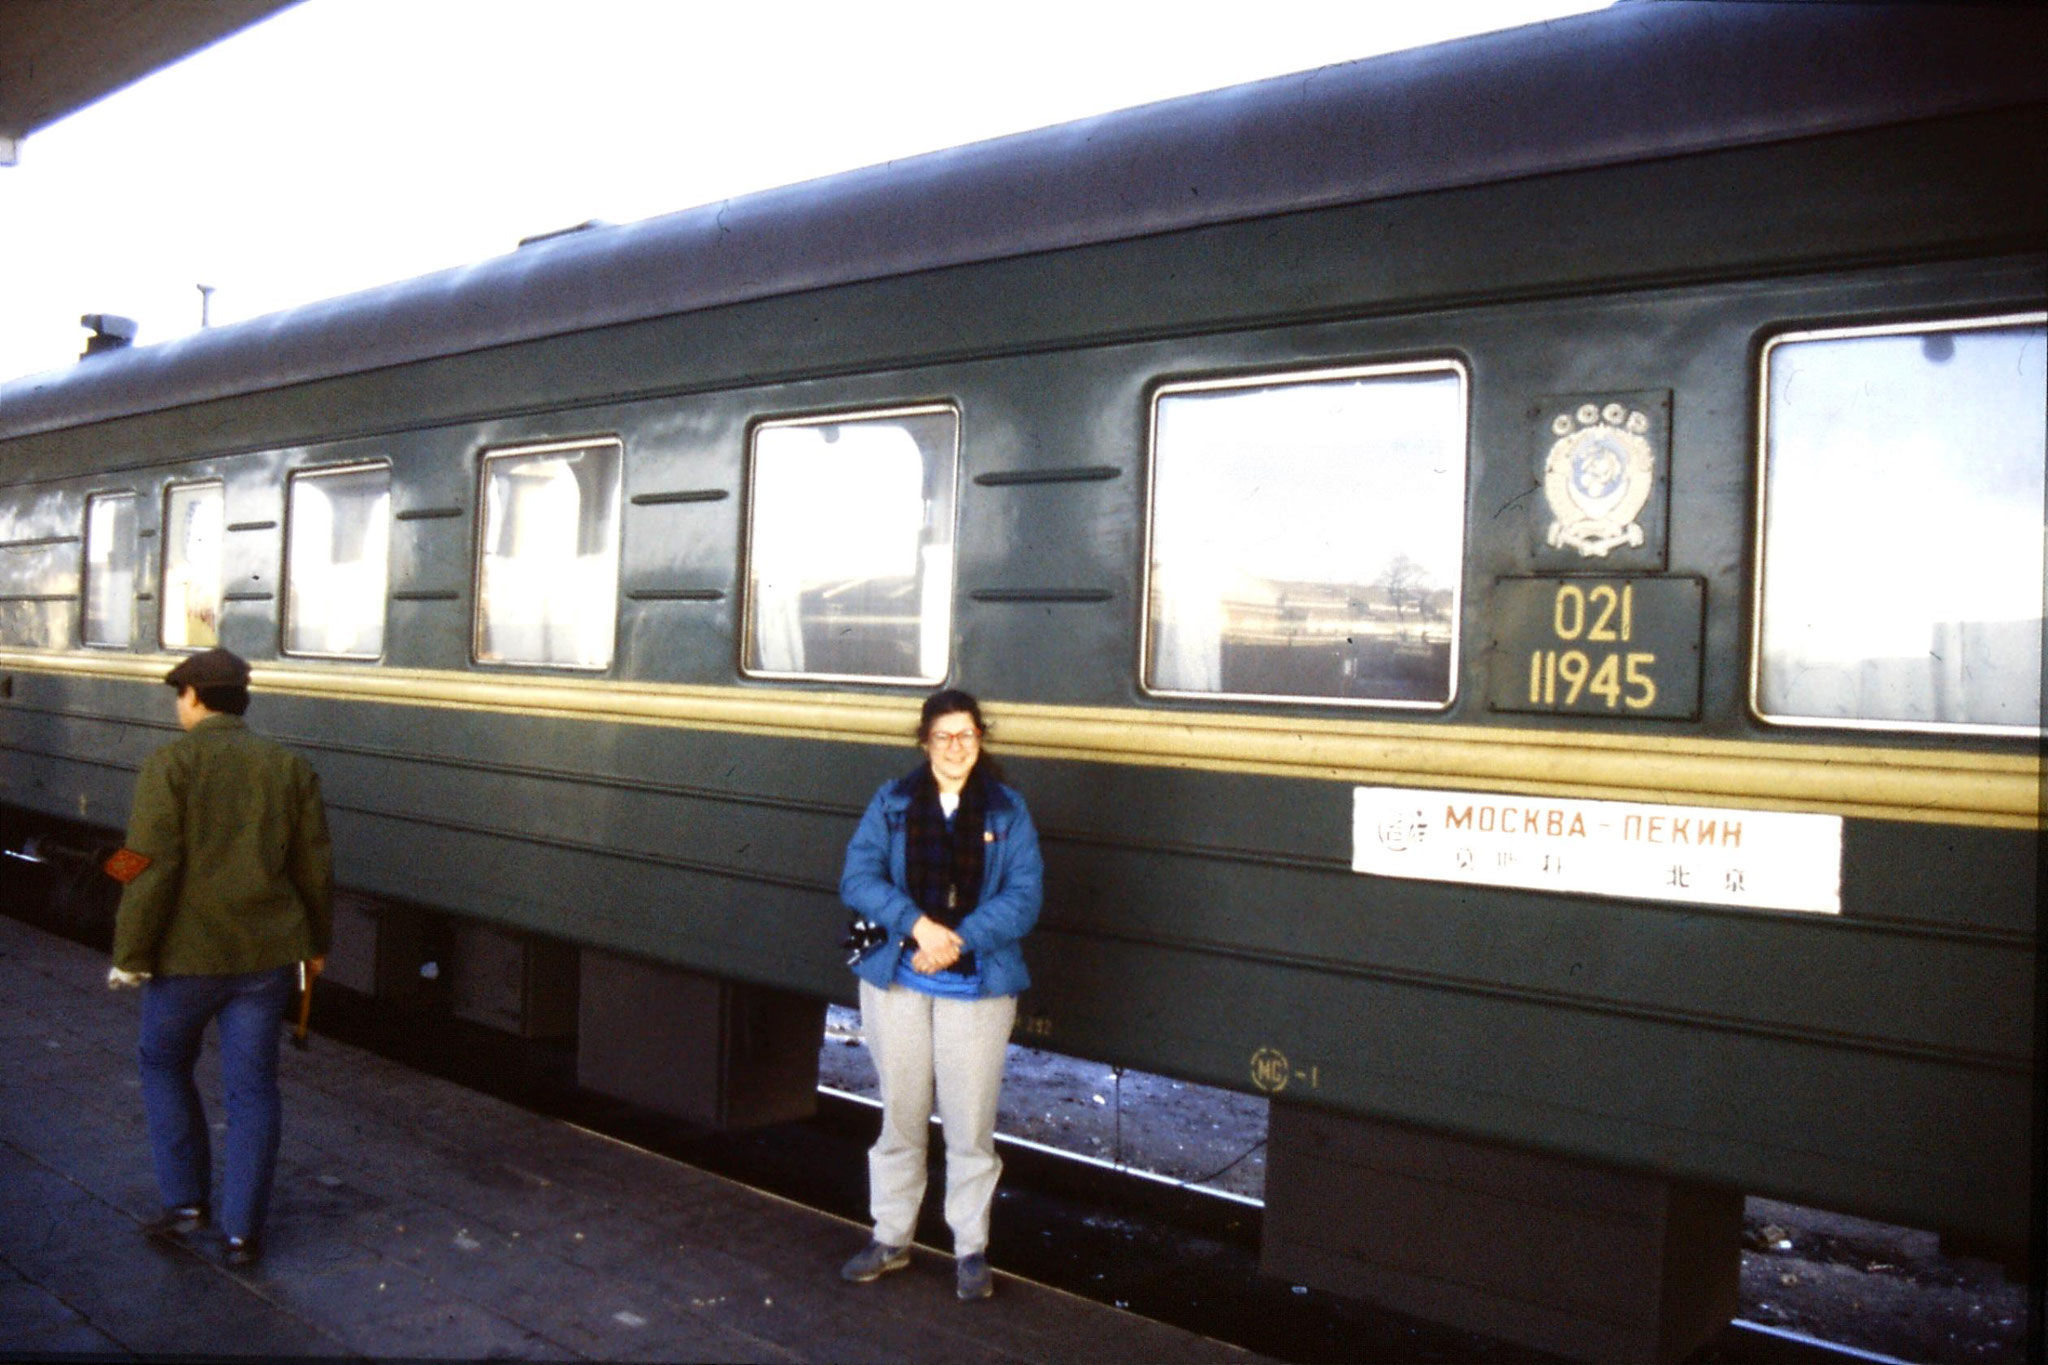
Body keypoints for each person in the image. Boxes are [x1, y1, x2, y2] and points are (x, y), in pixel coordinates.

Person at [103, 647, 333, 1268]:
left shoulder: (170, 764)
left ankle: (186, 1205)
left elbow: (145, 864)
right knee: (253, 1090)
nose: (178, 707)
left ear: (196, 699)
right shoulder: (289, 766)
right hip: (265, 960)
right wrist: (315, 946)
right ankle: (241, 1233)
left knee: (162, 1064)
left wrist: (130, 953)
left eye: (180, 696)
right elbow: (314, 866)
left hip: (187, 959)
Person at [837, 689, 1043, 1302]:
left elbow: (1024, 897)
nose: (957, 747)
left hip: (977, 986)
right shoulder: (893, 802)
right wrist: (918, 926)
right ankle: (892, 1237)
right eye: (944, 736)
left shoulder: (1008, 810)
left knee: (970, 1126)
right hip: (899, 978)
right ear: (925, 741)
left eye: (968, 736)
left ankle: (971, 1250)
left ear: (981, 740)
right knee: (900, 1118)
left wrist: (956, 939)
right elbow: (857, 876)